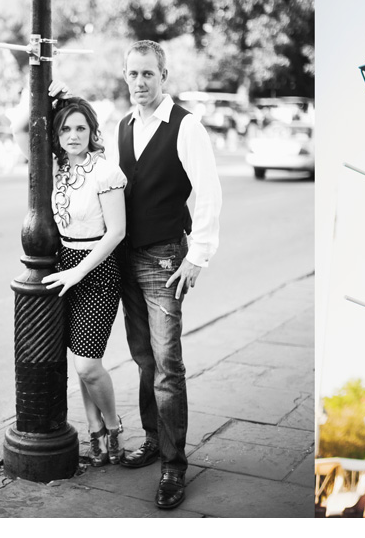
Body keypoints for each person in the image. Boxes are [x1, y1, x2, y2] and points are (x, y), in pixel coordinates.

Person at [116, 40, 222, 510]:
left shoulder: (185, 126)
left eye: (147, 74)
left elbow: (209, 192)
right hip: (125, 258)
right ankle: (154, 438)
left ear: (164, 75)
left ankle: (174, 466)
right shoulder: (122, 126)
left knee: (167, 365)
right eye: (133, 74)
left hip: (163, 260)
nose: (140, 83)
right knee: (143, 359)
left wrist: (196, 257)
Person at [11, 83, 127, 468]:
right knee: (78, 357)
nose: (73, 136)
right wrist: (37, 95)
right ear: (57, 136)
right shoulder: (55, 168)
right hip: (62, 270)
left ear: (92, 132)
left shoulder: (106, 171)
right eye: (65, 129)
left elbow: (117, 232)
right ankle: (93, 429)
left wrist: (78, 271)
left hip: (96, 271)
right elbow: (17, 130)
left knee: (87, 365)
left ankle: (113, 427)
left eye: (80, 128)